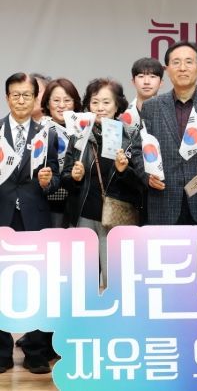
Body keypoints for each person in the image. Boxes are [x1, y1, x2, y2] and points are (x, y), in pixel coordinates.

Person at [131, 41, 197, 226]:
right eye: (176, 62)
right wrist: (147, 176)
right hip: (164, 203)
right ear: (167, 69)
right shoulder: (152, 107)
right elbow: (138, 150)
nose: (182, 68)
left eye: (189, 62)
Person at [0, 72, 60, 375]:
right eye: (15, 95)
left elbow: (57, 177)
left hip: (35, 216)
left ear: (36, 98)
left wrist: (49, 182)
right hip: (2, 215)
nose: (21, 100)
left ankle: (35, 351)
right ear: (7, 97)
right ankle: (1, 351)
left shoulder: (47, 134)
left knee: (38, 285)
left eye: (27, 95)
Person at [62, 78, 143, 286]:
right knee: (82, 279)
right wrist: (74, 177)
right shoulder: (80, 134)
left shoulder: (130, 135)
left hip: (116, 216)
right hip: (83, 215)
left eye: (106, 102)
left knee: (113, 278)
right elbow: (66, 178)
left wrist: (124, 171)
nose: (100, 108)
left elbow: (141, 182)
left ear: (117, 105)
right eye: (95, 102)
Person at [40, 77, 82, 228]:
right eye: (56, 100)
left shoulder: (83, 130)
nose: (62, 105)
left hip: (77, 202)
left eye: (67, 100)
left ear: (75, 103)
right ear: (47, 103)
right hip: (47, 202)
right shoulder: (39, 131)